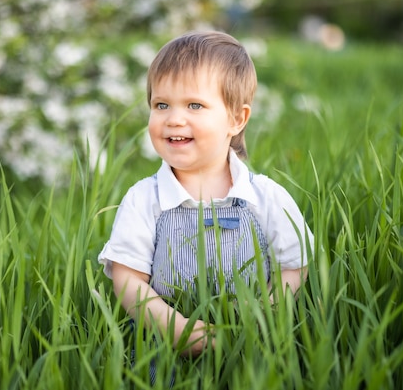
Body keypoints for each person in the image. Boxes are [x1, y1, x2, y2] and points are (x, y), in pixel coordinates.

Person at [98, 30, 314, 359]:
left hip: (254, 351)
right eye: (161, 105)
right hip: (167, 352)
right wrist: (176, 328)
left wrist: (261, 318)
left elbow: (294, 266)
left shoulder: (265, 197)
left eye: (194, 105)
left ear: (236, 119)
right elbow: (128, 280)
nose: (174, 119)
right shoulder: (145, 199)